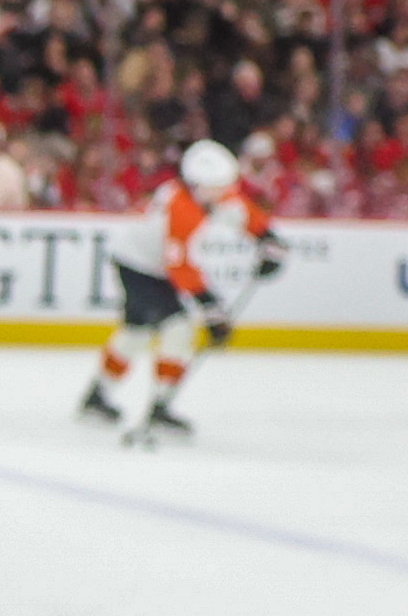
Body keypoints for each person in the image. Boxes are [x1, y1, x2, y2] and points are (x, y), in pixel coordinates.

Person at [80, 136, 275, 445]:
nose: (226, 191)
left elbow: (239, 210)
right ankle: (159, 405)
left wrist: (267, 238)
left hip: (141, 263)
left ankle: (99, 396)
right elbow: (180, 268)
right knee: (179, 330)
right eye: (219, 186)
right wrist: (212, 310)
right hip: (140, 268)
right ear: (199, 185)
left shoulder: (201, 195)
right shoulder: (181, 209)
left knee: (136, 334)